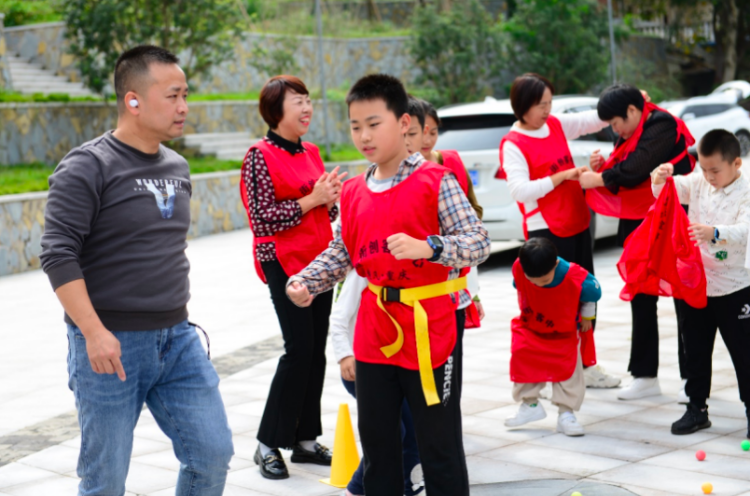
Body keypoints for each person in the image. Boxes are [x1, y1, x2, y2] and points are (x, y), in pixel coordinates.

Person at [39, 45, 234, 495]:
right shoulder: (89, 165)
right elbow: (57, 252)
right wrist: (92, 332)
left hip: (178, 339)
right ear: (133, 100)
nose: (184, 107)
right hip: (110, 345)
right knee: (104, 480)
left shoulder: (178, 166)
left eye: (186, 95)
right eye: (172, 96)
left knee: (213, 453)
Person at [287, 73, 490, 496]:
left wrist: (429, 247)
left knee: (439, 445)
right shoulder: (355, 191)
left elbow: (479, 242)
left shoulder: (437, 181)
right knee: (378, 445)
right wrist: (306, 280)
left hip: (430, 328)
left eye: (374, 123)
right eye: (355, 125)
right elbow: (342, 252)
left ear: (402, 123)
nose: (364, 135)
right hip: (375, 330)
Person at [239, 75, 345, 479]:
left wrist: (329, 200)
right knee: (298, 349)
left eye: (308, 100)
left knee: (315, 349)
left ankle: (304, 440)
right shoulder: (258, 156)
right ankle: (267, 442)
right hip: (283, 262)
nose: (306, 108)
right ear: (275, 110)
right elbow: (262, 219)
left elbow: (324, 213)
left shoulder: (313, 152)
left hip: (319, 261)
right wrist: (314, 199)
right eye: (297, 101)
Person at [496, 73, 619, 389]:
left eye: (550, 103)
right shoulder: (513, 143)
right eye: (540, 105)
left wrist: (624, 102)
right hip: (547, 231)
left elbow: (590, 120)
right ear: (522, 107)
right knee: (555, 304)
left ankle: (586, 364)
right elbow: (519, 190)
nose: (547, 111)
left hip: (577, 221)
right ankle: (559, 366)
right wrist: (561, 177)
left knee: (586, 295)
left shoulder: (554, 124)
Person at [580, 84, 695, 401]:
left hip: (671, 217)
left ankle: (693, 378)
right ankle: (645, 375)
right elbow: (622, 168)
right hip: (639, 220)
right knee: (641, 294)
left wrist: (600, 178)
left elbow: (636, 169)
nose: (614, 130)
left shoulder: (662, 124)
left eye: (616, 124)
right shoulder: (630, 130)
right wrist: (603, 166)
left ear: (633, 111)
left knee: (683, 296)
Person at [652, 130, 750, 437]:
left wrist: (714, 232)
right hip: (695, 284)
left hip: (735, 286)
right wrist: (660, 176)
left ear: (737, 163)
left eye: (715, 170)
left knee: (744, 352)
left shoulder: (746, 191)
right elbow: (664, 192)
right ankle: (696, 409)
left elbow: (746, 230)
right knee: (693, 348)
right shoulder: (697, 181)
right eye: (704, 169)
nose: (708, 176)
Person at [330, 272, 423, 496]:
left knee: (414, 431)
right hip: (363, 368)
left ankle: (410, 487)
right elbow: (339, 317)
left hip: (400, 366)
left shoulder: (413, 266)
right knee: (390, 432)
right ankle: (356, 489)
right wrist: (344, 355)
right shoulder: (364, 272)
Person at [504, 237, 602, 436]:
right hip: (531, 326)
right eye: (533, 280)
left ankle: (566, 414)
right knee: (523, 360)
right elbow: (519, 285)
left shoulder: (577, 277)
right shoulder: (519, 268)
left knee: (568, 371)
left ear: (555, 263)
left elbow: (592, 294)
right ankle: (530, 406)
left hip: (563, 331)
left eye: (545, 280)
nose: (538, 284)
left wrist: (587, 317)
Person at [418, 98, 485, 332]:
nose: (426, 141)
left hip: (454, 271)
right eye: (420, 133)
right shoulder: (398, 171)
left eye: (433, 132)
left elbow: (474, 212)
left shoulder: (452, 162)